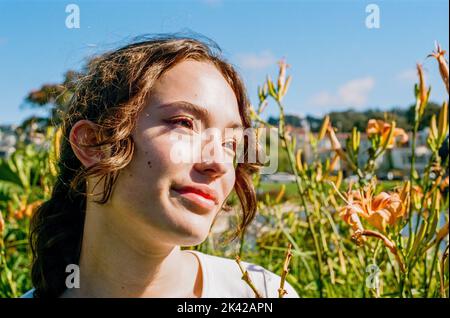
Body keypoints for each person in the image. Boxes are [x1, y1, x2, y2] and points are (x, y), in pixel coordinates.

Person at [22, 34, 299, 298]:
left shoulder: (261, 292)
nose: (219, 164)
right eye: (184, 123)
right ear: (94, 143)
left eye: (231, 144)